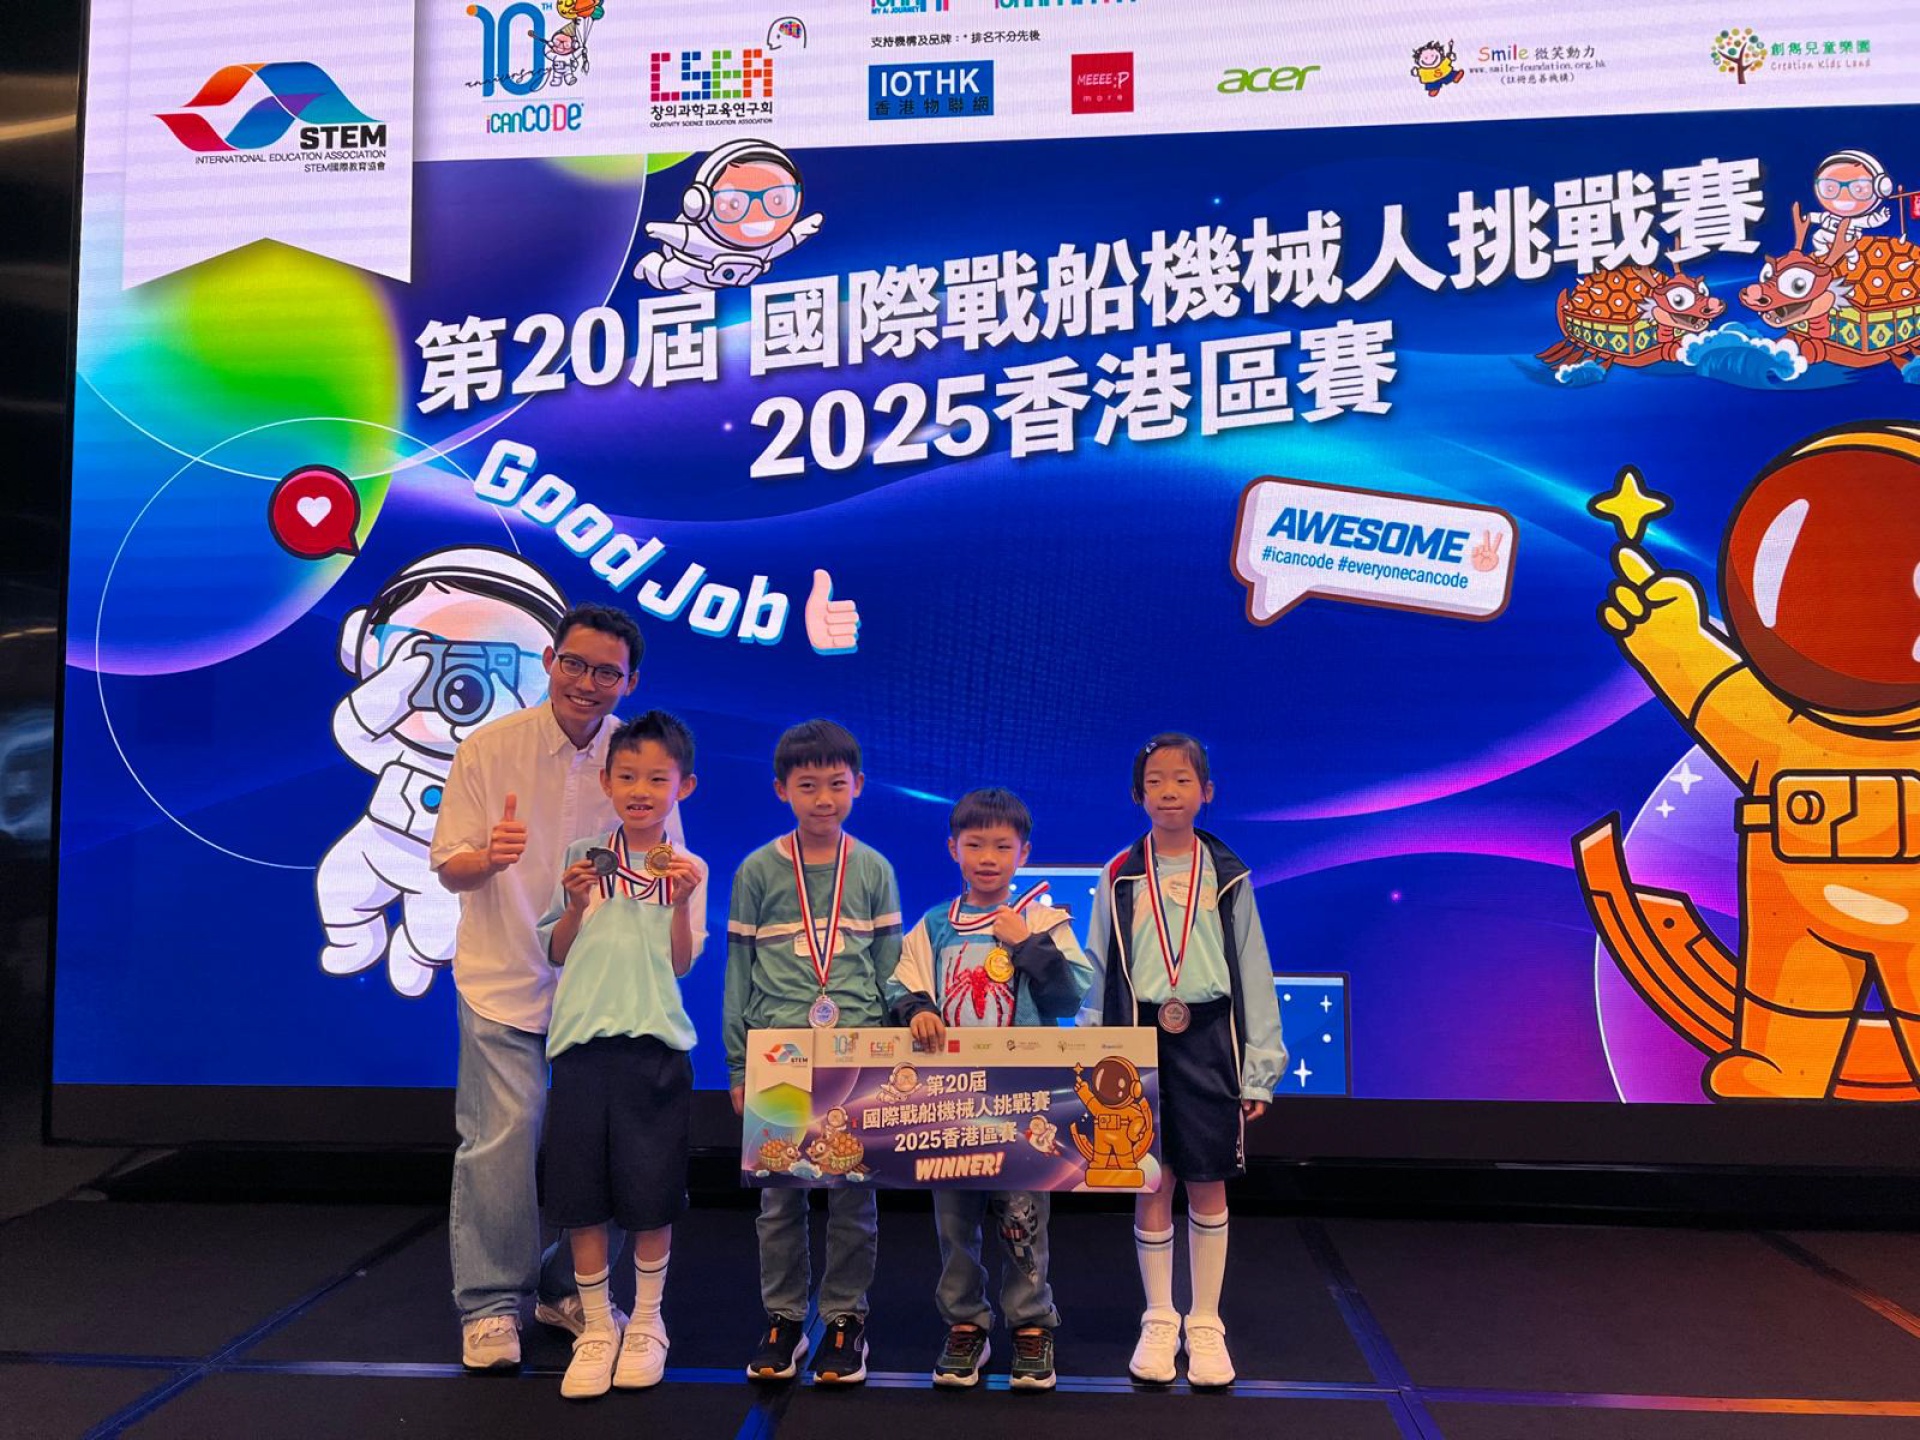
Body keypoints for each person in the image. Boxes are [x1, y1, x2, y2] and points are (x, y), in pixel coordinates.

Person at [430, 603, 678, 1370]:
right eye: (574, 663)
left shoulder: (639, 756)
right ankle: (490, 1307)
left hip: (601, 996)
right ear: (548, 661)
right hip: (505, 975)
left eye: (607, 672)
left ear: (630, 681)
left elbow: (665, 871)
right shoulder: (489, 748)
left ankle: (569, 1288)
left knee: (609, 1149)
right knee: (502, 1141)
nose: (586, 682)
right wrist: (489, 858)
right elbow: (448, 867)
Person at [1081, 734, 1286, 1389]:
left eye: (1182, 780)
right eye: (1155, 781)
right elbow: (1097, 967)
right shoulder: (1118, 875)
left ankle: (1205, 1321)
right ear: (1137, 794)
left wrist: (1259, 1068)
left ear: (1207, 792)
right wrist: (1089, 1052)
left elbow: (1253, 968)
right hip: (1138, 1037)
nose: (1168, 792)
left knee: (1207, 1178)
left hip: (1208, 1039)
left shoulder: (1228, 874)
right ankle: (1159, 1316)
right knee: (1150, 1179)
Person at [886, 787, 1093, 1391]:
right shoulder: (934, 925)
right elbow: (901, 985)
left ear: (1024, 852)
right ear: (952, 848)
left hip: (1025, 1101)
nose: (987, 857)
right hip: (951, 1100)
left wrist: (1025, 943)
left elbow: (1071, 995)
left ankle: (1030, 1323)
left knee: (1024, 1216)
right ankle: (965, 1323)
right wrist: (919, 1010)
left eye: (1002, 846)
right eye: (975, 844)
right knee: (954, 1218)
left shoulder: (1044, 920)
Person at [724, 719, 903, 1385]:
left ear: (858, 785)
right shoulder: (757, 871)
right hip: (779, 1057)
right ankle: (783, 1318)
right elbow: (738, 976)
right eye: (807, 785)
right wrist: (737, 1065)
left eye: (836, 784)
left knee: (854, 1197)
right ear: (782, 790)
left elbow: (892, 973)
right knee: (780, 1198)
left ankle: (845, 1318)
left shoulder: (874, 869)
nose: (823, 798)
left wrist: (892, 1060)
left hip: (857, 1056)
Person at [536, 711, 707, 1398]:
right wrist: (576, 905)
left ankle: (646, 1320)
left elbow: (682, 962)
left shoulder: (687, 869)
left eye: (657, 779)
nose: (641, 790)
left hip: (654, 1044)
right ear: (606, 781)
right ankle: (597, 1326)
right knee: (582, 1195)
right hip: (581, 1045)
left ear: (683, 788)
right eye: (628, 776)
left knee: (650, 1192)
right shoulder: (584, 855)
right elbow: (555, 950)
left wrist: (681, 903)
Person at [1809, 149, 1895, 255]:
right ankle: (1823, 250)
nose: (1843, 196)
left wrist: (1880, 217)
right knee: (1817, 237)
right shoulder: (1828, 216)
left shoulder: (1853, 221)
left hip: (1847, 239)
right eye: (1830, 188)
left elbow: (1869, 221)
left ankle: (1852, 260)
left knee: (1850, 251)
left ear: (1880, 189)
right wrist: (1806, 218)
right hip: (1826, 234)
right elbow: (1816, 217)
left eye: (1858, 189)